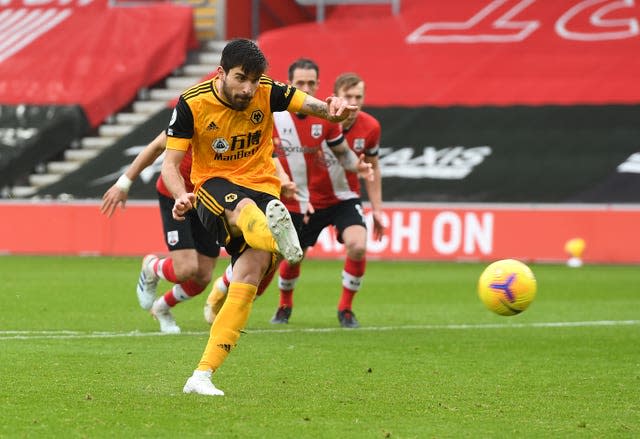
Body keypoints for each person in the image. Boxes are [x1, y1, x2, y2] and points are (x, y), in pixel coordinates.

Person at [162, 38, 368, 396]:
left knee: (250, 276)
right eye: (241, 78)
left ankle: (202, 375)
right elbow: (169, 164)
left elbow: (313, 106)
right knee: (244, 212)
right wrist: (181, 195)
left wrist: (333, 107)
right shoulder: (192, 103)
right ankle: (279, 241)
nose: (248, 88)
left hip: (264, 188)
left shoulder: (266, 91)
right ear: (221, 72)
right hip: (214, 186)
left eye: (255, 80)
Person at [202, 58, 374, 326]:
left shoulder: (327, 117)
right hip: (285, 199)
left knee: (357, 244)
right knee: (266, 264)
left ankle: (345, 310)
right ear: (290, 83)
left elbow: (343, 153)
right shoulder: (270, 111)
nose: (306, 86)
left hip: (331, 200)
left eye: (310, 82)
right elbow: (262, 154)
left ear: (318, 85)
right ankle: (229, 288)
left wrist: (358, 166)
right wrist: (282, 180)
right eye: (300, 82)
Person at [270, 71, 385, 328]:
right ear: (335, 97)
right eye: (348, 96)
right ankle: (284, 304)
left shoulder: (371, 127)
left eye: (359, 97)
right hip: (310, 200)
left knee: (357, 245)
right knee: (293, 255)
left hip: (345, 198)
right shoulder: (318, 119)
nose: (353, 103)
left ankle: (345, 310)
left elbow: (373, 167)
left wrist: (377, 209)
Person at [100, 131, 219, 334]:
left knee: (203, 276)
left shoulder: (239, 119)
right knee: (185, 270)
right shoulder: (194, 110)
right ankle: (151, 267)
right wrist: (124, 183)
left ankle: (162, 307)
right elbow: (156, 146)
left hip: (208, 199)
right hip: (174, 194)